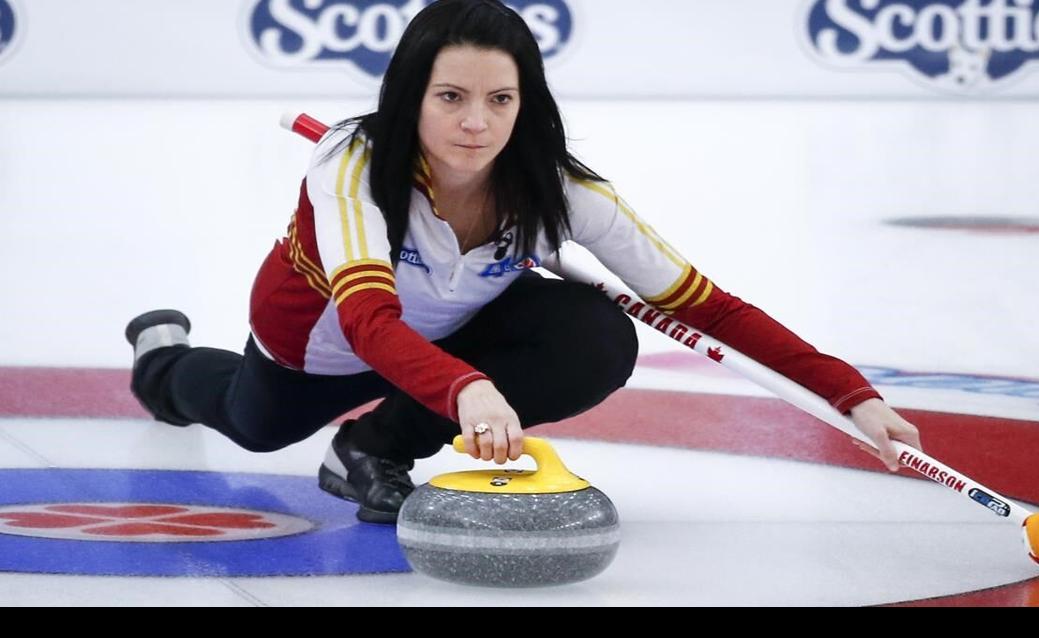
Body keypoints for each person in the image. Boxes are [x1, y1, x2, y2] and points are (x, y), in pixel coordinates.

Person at [126, 0, 920, 524]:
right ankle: (163, 361)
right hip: (325, 346)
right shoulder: (352, 166)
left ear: (525, 102)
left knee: (597, 336)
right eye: (451, 98)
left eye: (499, 100)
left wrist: (848, 394)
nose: (477, 124)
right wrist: (467, 387)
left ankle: (375, 447)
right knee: (252, 424)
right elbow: (368, 320)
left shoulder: (561, 190)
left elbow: (705, 306)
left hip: (445, 344)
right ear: (411, 96)